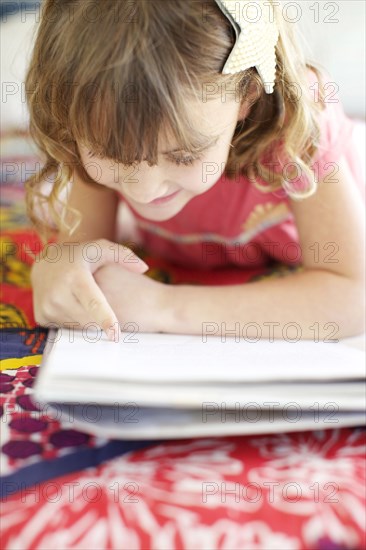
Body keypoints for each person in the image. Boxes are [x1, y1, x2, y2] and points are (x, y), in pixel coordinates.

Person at [25, 0, 365, 342]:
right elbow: (78, 254)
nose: (144, 191)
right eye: (110, 154)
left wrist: (163, 306)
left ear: (247, 94)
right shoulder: (99, 112)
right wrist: (57, 269)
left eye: (185, 156)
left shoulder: (296, 126)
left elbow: (353, 296)